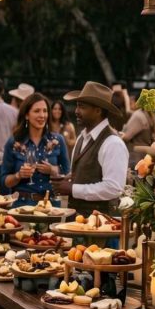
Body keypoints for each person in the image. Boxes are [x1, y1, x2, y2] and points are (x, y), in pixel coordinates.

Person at [53, 82, 129, 215]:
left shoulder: (113, 143)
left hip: (101, 225)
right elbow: (87, 173)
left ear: (98, 110)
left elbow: (114, 188)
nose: (76, 111)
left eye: (82, 107)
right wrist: (67, 179)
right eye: (77, 106)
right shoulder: (82, 138)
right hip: (79, 220)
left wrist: (73, 189)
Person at [0, 93, 71, 207]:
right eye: (37, 111)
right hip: (22, 206)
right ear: (27, 115)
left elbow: (68, 173)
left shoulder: (58, 140)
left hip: (51, 207)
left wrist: (53, 170)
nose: (42, 115)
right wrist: (18, 175)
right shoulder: (14, 142)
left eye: (45, 111)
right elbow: (4, 181)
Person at [122, 95, 155, 167]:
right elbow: (126, 138)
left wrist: (153, 115)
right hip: (136, 156)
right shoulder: (138, 115)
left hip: (142, 156)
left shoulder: (148, 115)